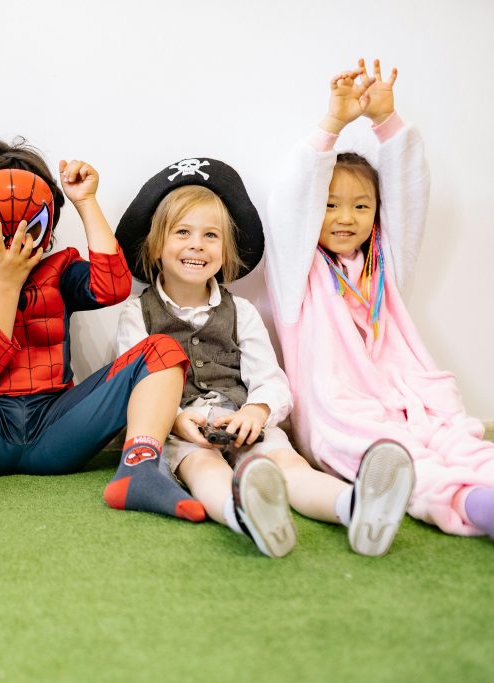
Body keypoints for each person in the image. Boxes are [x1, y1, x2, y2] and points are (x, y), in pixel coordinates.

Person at [0, 138, 203, 521]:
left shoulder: (60, 270)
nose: (14, 235)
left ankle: (139, 470)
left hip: (57, 428)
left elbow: (114, 286)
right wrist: (6, 286)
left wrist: (86, 202)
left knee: (162, 349)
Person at [115, 158, 414, 557]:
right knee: (206, 469)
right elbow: (134, 386)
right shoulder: (138, 314)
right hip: (181, 429)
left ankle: (357, 505)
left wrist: (256, 411)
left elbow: (270, 378)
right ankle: (245, 515)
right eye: (182, 232)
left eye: (210, 236)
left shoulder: (242, 313)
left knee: (289, 468)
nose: (197, 245)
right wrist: (177, 420)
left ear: (226, 249)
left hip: (242, 420)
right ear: (156, 245)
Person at [265, 59, 494, 540]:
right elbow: (289, 203)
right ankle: (474, 505)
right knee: (403, 463)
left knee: (461, 441)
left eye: (361, 205)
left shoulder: (386, 261)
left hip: (412, 398)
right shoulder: (297, 276)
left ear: (377, 213)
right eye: (329, 205)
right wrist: (333, 123)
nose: (345, 217)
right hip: (342, 415)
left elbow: (411, 194)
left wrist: (385, 121)